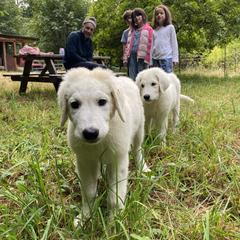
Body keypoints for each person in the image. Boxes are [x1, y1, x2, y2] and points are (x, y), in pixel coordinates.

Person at [123, 8, 153, 81]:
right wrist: (125, 58)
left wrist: (149, 59)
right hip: (131, 57)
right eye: (134, 16)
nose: (136, 17)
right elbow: (127, 46)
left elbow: (151, 45)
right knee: (132, 77)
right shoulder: (131, 31)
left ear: (143, 16)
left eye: (138, 15)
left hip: (142, 58)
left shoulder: (149, 29)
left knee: (142, 79)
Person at [151, 4, 179, 73]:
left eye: (161, 13)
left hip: (166, 58)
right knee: (157, 80)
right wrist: (150, 60)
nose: (159, 15)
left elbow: (174, 43)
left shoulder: (170, 27)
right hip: (155, 59)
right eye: (157, 14)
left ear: (166, 15)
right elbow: (151, 45)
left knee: (167, 79)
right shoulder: (154, 30)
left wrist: (175, 58)